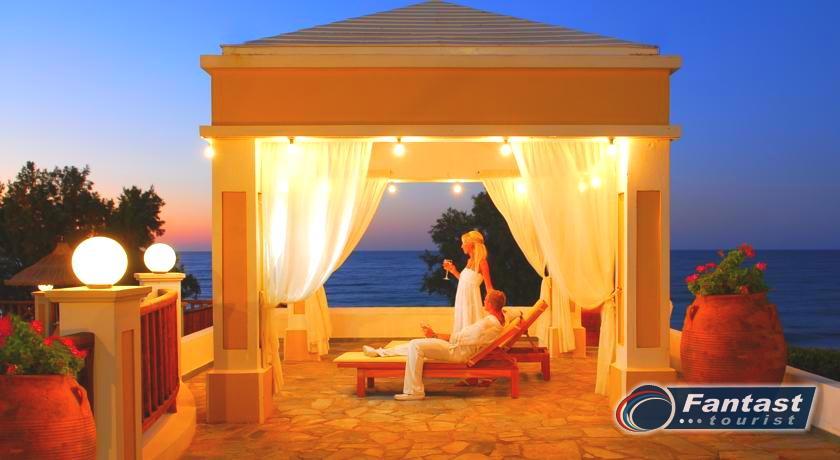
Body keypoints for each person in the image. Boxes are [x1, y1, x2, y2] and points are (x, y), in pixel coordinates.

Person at [362, 289, 507, 401]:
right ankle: (379, 352)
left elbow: (460, 338)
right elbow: (506, 314)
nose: (483, 301)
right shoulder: (499, 319)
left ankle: (414, 392)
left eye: (485, 299)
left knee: (416, 346)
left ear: (490, 304)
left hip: (457, 352)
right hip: (458, 348)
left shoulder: (488, 323)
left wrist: (435, 335)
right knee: (415, 344)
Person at [443, 230, 495, 335]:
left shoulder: (482, 262)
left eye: (463, 243)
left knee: (470, 327)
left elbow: (489, 287)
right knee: (462, 327)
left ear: (471, 244)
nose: (461, 246)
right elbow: (465, 281)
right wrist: (453, 270)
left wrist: (495, 306)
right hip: (462, 300)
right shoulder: (469, 261)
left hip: (471, 301)